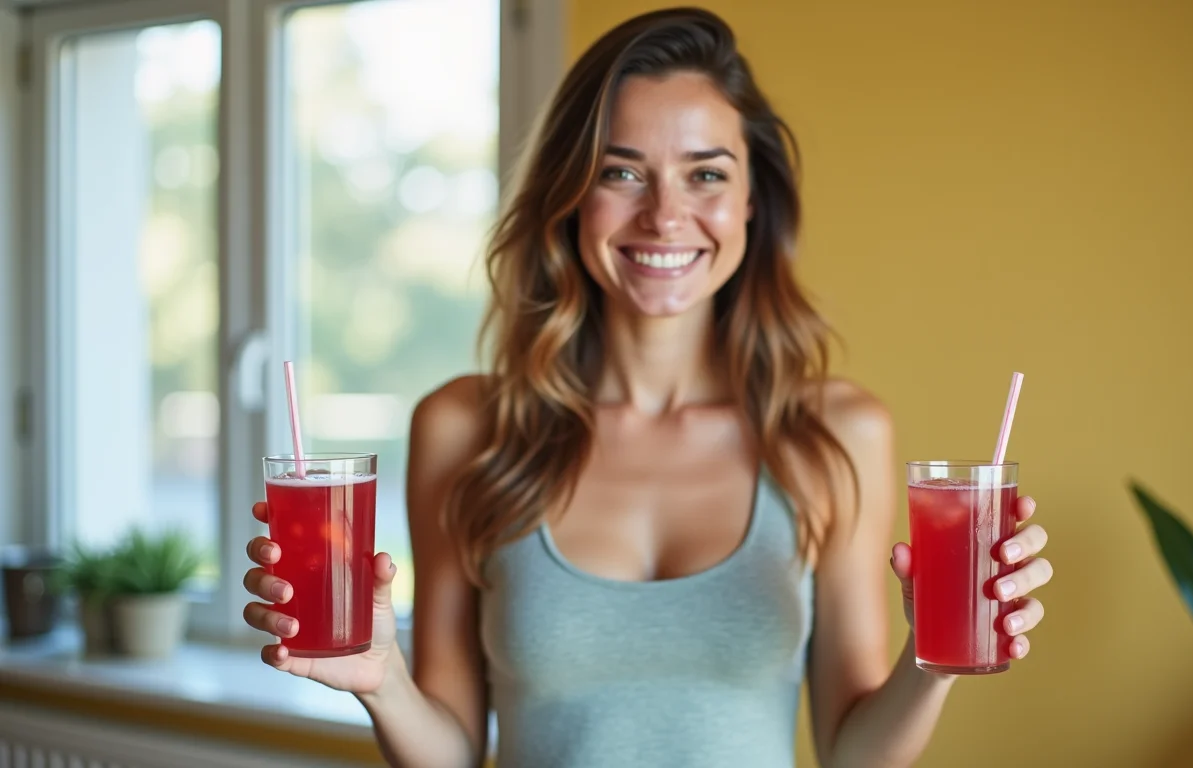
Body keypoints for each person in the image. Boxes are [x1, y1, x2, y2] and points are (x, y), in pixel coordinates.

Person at [240, 7, 1053, 767]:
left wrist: (934, 657)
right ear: (568, 198)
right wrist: (383, 677)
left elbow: (852, 749)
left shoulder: (839, 431)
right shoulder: (464, 427)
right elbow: (451, 750)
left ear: (751, 202)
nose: (665, 216)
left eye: (705, 175)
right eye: (622, 172)